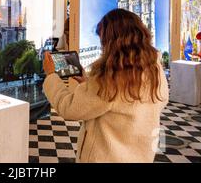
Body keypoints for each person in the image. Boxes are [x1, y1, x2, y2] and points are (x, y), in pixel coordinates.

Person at [43, 9, 169, 163]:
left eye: (103, 41)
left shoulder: (110, 78)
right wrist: (88, 83)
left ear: (112, 41)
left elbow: (69, 108)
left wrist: (51, 76)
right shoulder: (155, 70)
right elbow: (124, 104)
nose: (102, 46)